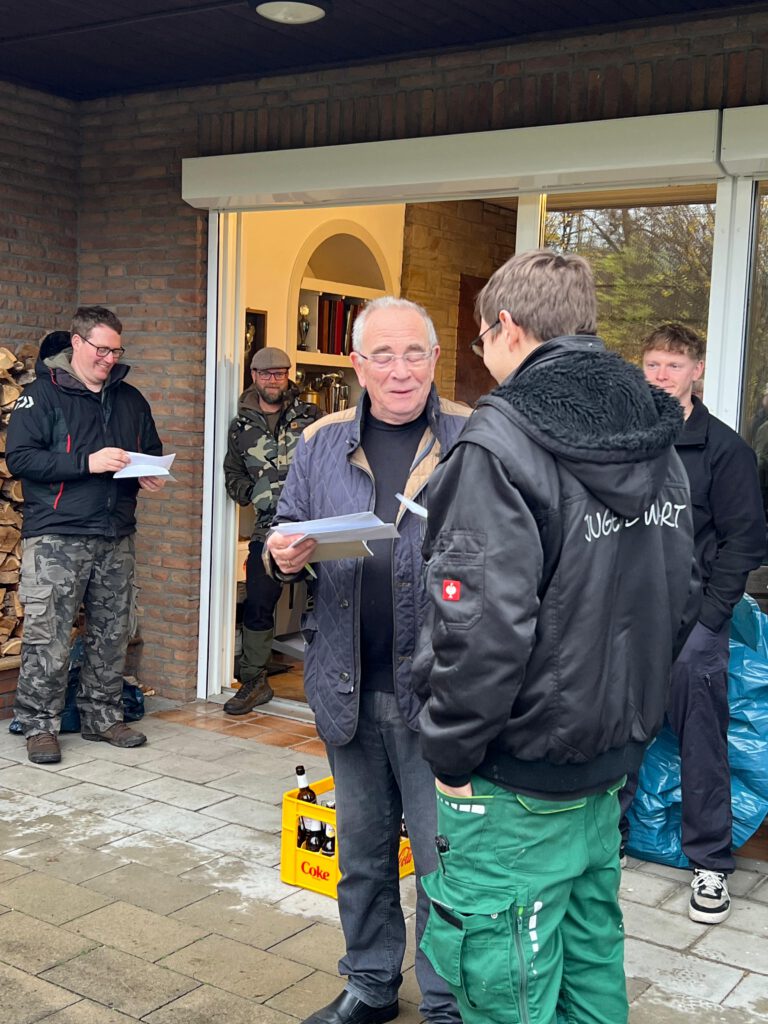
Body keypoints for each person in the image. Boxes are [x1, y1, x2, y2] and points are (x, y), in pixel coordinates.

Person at [413, 251, 699, 1024]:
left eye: (481, 339)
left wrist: (451, 755)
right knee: (589, 967)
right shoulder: (656, 437)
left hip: (516, 777)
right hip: (606, 768)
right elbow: (679, 595)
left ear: (507, 327)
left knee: (504, 983)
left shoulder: (500, 442)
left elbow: (479, 628)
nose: (484, 357)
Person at [266, 297, 468, 1024]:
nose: (400, 369)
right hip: (347, 683)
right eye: (382, 355)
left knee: (446, 863)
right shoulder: (321, 442)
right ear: (357, 364)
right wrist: (281, 553)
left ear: (434, 358)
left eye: (413, 352)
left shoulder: (471, 437)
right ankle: (372, 984)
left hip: (440, 692)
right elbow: (284, 527)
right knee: (362, 855)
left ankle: (447, 1001)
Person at [631, 323, 765, 923]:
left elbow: (745, 542)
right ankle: (605, 845)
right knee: (618, 734)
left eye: (674, 365)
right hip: (629, 621)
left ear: (698, 371)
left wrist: (711, 619)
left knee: (702, 744)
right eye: (653, 365)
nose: (662, 376)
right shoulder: (627, 441)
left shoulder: (725, 451)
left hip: (696, 625)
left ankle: (710, 864)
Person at [7, 309, 164, 765]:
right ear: (77, 343)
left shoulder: (131, 399)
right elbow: (20, 459)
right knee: (48, 637)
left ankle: (103, 717)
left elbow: (150, 450)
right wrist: (86, 463)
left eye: (116, 350)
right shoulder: (41, 395)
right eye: (102, 349)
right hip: (57, 536)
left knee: (112, 633)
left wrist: (149, 473)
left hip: (116, 533)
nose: (110, 359)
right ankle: (39, 725)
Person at [222, 346, 322, 713]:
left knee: (327, 600)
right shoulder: (241, 425)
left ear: (287, 375)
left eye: (279, 373)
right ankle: (254, 681)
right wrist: (255, 494)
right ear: (254, 376)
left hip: (314, 526)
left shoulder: (311, 416)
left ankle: (326, 680)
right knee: (259, 602)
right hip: (269, 530)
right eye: (266, 374)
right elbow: (232, 473)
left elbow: (333, 462)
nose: (273, 380)